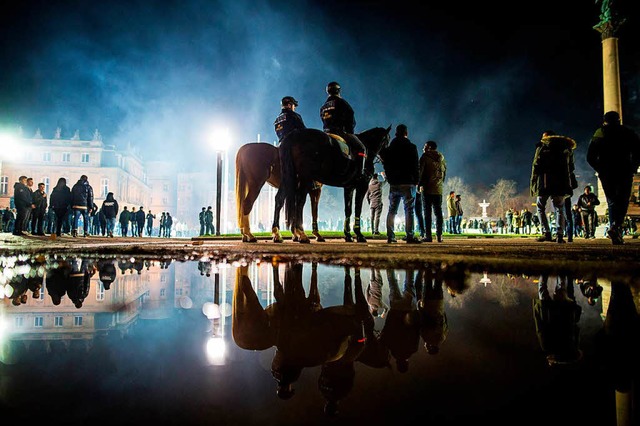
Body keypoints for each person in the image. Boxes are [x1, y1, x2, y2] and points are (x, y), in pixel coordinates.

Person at [587, 111, 640, 245]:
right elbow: (638, 151)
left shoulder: (600, 133)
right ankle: (616, 227)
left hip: (607, 172)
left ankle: (614, 226)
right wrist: (633, 167)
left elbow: (590, 156)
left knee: (612, 201)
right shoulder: (627, 132)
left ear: (605, 120)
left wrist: (600, 168)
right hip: (624, 170)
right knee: (622, 199)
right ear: (619, 120)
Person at [530, 130, 576, 243]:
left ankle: (546, 232)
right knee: (559, 208)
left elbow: (536, 165)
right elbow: (571, 167)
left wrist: (533, 182)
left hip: (544, 182)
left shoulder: (541, 148)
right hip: (560, 182)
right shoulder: (566, 149)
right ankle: (559, 235)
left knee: (540, 207)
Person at [379, 124, 422, 244]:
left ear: (396, 133)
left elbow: (385, 161)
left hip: (394, 183)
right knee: (409, 210)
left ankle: (390, 235)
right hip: (408, 182)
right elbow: (415, 166)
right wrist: (417, 181)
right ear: (406, 133)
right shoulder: (411, 147)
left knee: (392, 210)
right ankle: (409, 235)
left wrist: (389, 175)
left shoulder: (390, 148)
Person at [320, 81, 366, 174]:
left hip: (326, 132)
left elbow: (323, 119)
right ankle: (360, 174)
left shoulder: (323, 106)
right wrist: (350, 132)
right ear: (338, 91)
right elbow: (350, 119)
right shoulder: (341, 102)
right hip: (339, 132)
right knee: (361, 148)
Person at [418, 141, 447, 242]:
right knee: (438, 213)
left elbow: (420, 172)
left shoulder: (425, 157)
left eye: (425, 146)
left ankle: (428, 236)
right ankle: (439, 235)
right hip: (438, 189)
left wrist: (418, 185)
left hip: (427, 188)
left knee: (427, 213)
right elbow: (444, 174)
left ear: (429, 147)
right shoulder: (442, 158)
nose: (423, 148)